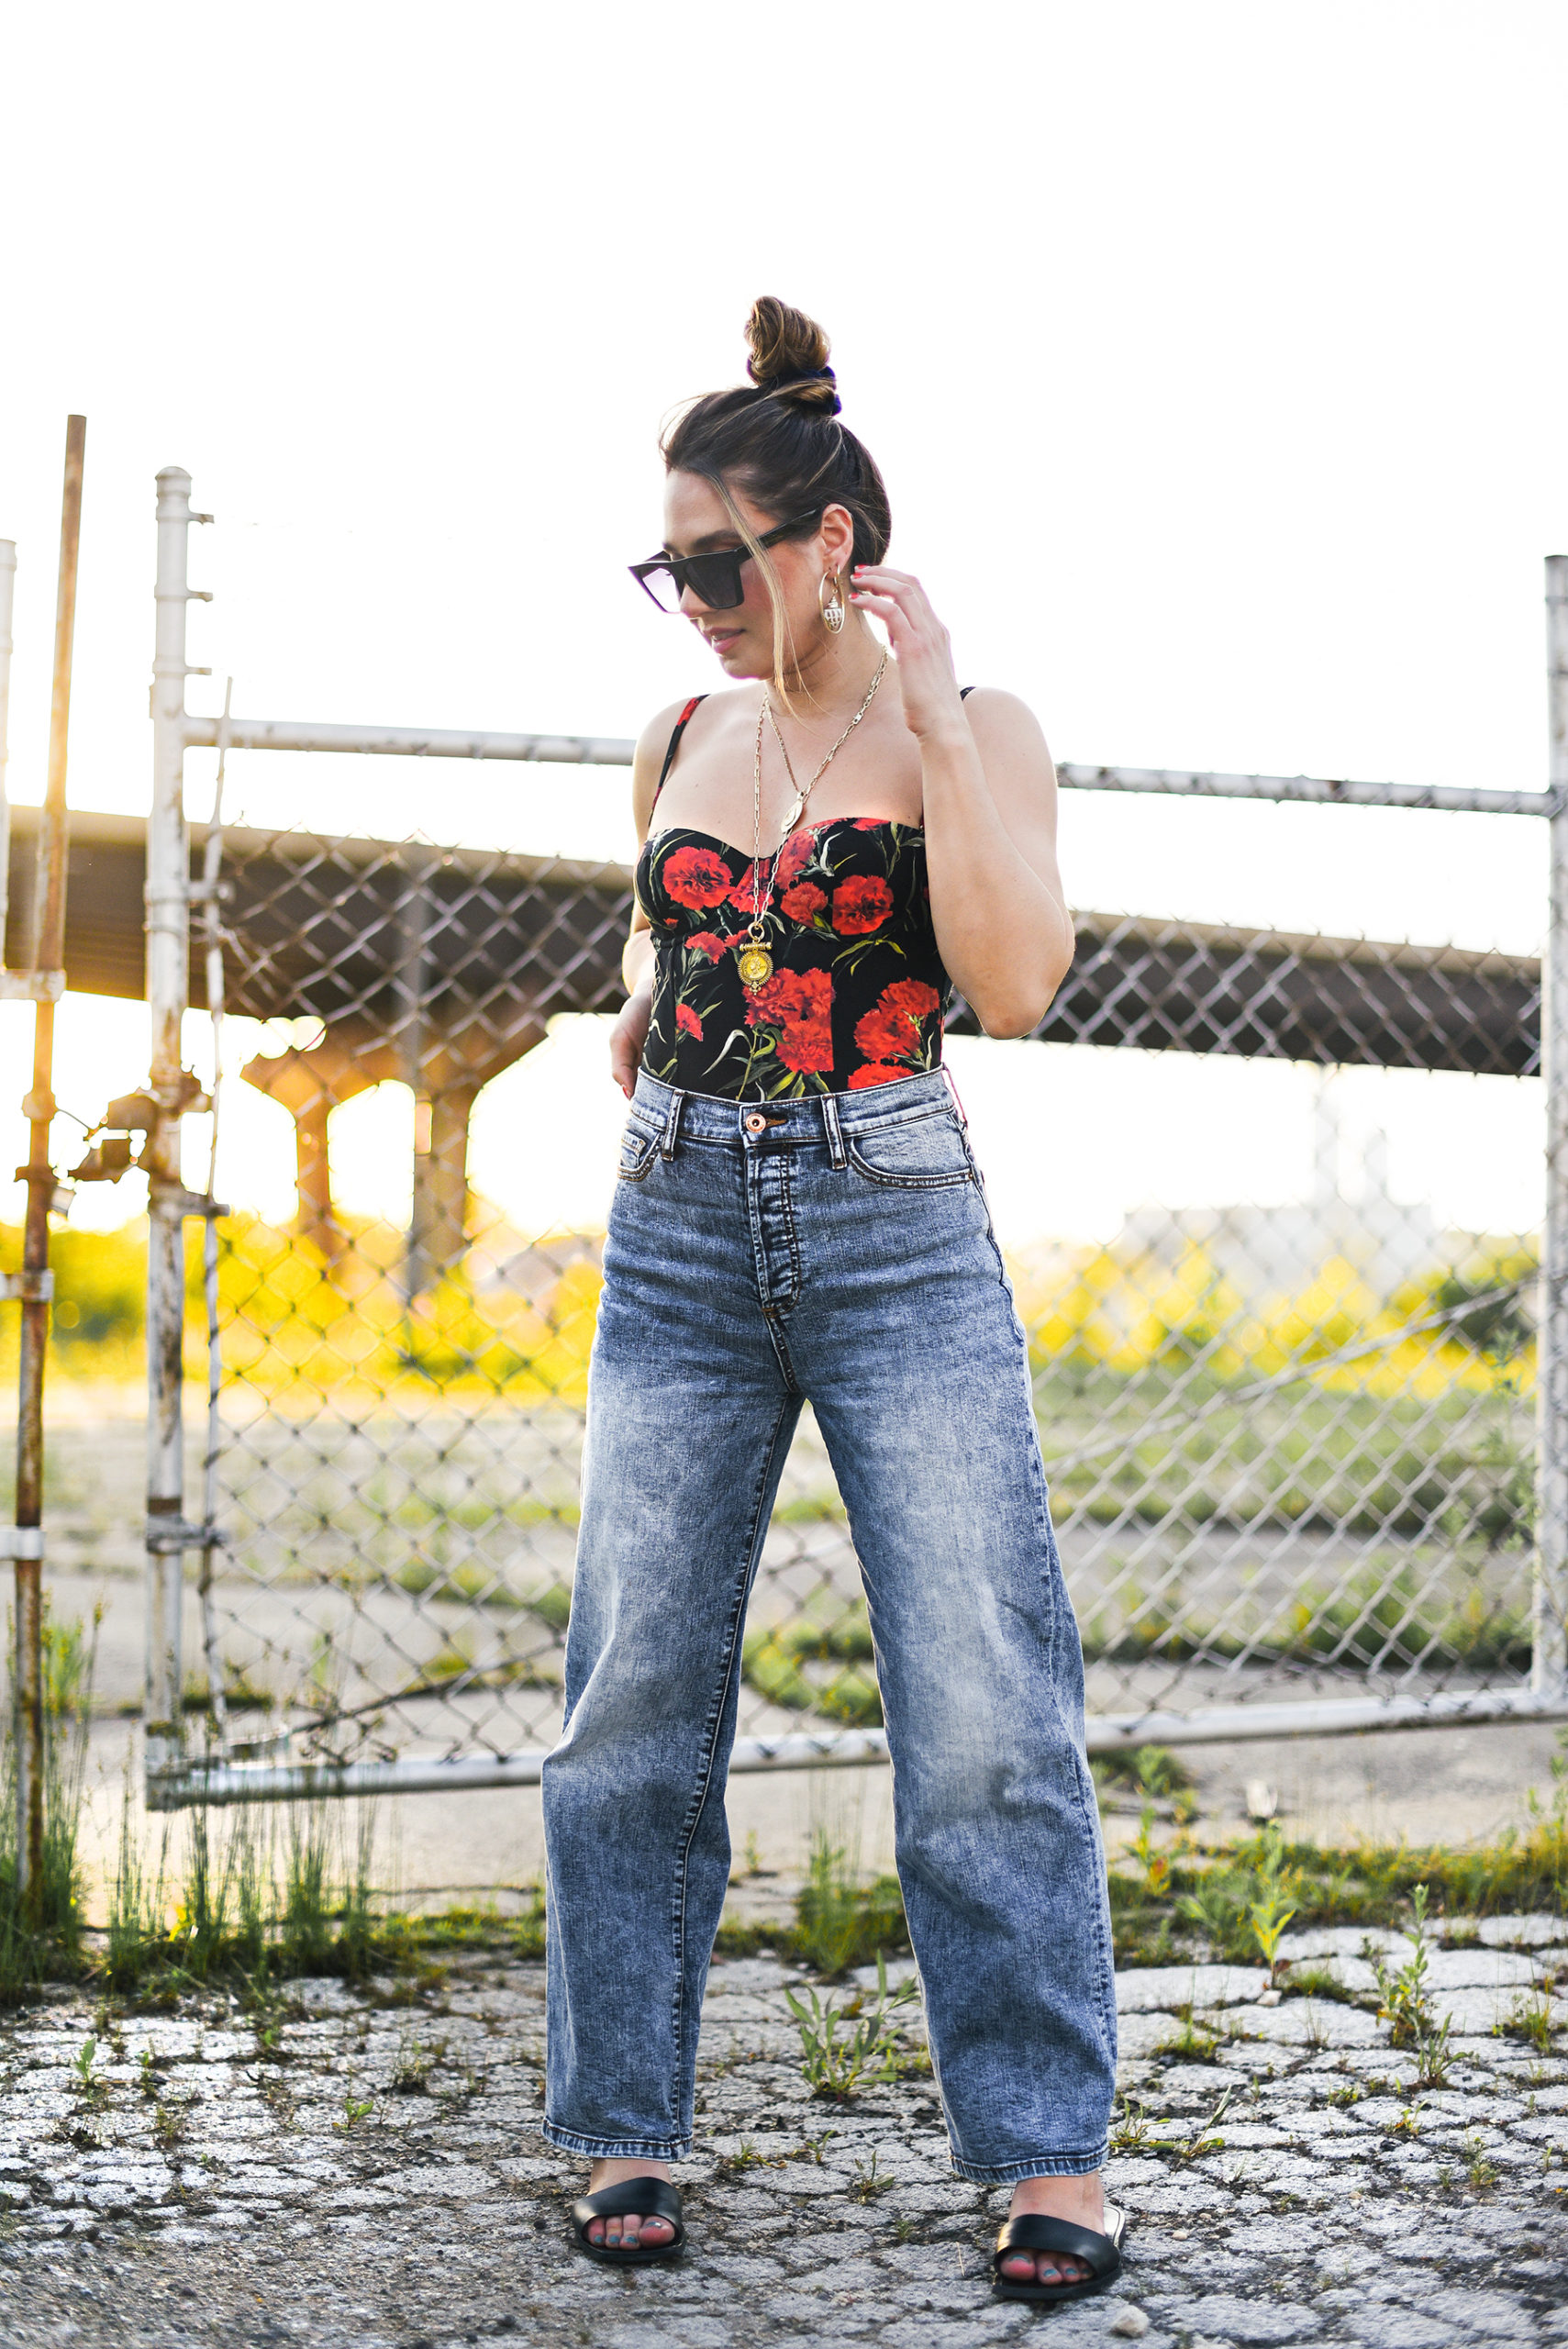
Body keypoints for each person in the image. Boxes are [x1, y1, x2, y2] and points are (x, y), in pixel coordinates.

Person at [539, 297, 1124, 2306]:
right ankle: (624, 2119)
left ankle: (1044, 2152)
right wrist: (652, 1017)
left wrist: (939, 710)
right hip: (678, 1228)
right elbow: (680, 930)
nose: (692, 598)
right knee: (630, 1696)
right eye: (668, 565)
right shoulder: (683, 738)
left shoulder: (979, 729)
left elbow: (1017, 976)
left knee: (980, 1699)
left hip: (895, 1223)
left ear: (838, 540)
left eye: (724, 559)